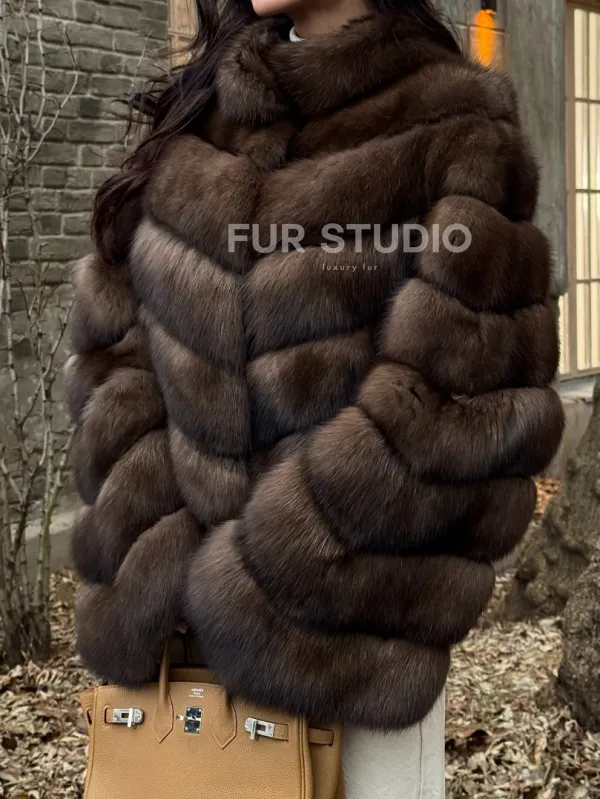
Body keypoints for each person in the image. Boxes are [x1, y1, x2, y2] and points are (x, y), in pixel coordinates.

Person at [65, 0, 564, 796]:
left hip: (356, 652)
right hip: (183, 652)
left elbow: (459, 410)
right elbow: (116, 360)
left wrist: (255, 577)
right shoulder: (200, 121)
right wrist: (157, 547)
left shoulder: (459, 131)